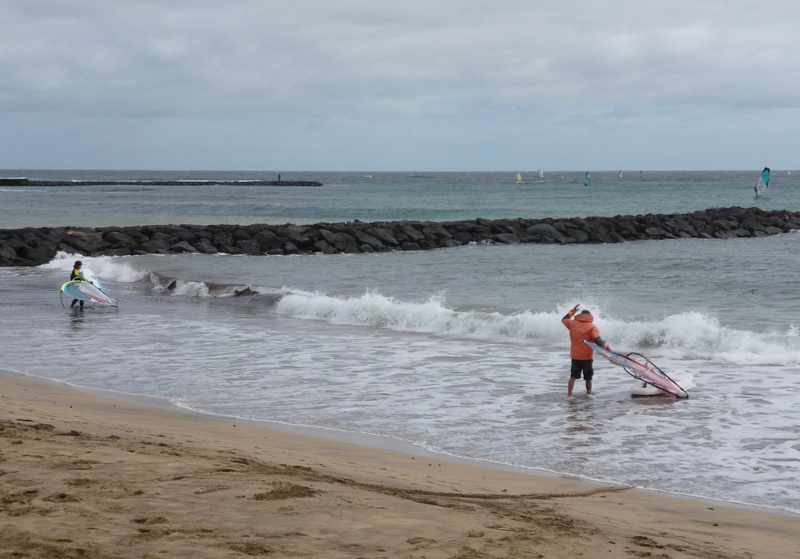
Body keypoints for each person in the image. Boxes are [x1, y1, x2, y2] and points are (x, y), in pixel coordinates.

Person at [562, 305, 609, 396]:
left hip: (575, 356)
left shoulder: (572, 324)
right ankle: (589, 394)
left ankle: (569, 395)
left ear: (580, 315)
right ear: (590, 317)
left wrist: (573, 310)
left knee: (573, 377)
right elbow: (597, 340)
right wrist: (605, 345)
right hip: (587, 357)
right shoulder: (592, 327)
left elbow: (564, 319)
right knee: (588, 378)